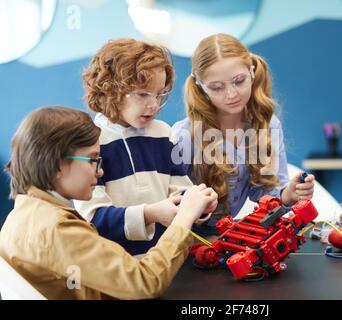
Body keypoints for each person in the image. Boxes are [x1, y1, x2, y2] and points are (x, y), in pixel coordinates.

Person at [0, 106, 218, 299]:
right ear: (58, 164)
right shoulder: (59, 229)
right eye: (93, 159)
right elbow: (145, 282)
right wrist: (184, 218)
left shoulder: (23, 214)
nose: (100, 170)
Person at [75, 38, 216, 255]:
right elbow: (93, 219)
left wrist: (197, 205)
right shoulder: (90, 144)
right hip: (118, 267)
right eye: (142, 94)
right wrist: (149, 214)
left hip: (166, 260)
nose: (154, 105)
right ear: (109, 90)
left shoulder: (164, 133)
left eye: (159, 94)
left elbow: (179, 191)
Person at [172, 33, 315, 236]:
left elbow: (265, 193)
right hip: (183, 241)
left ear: (252, 71)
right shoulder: (185, 135)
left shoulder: (267, 125)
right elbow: (168, 200)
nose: (231, 94)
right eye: (217, 87)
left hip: (225, 238)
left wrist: (288, 195)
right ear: (201, 87)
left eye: (238, 81)